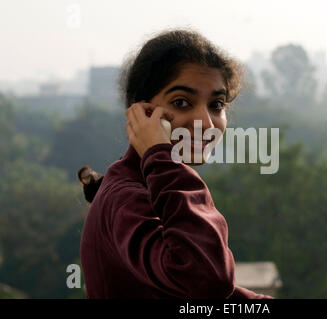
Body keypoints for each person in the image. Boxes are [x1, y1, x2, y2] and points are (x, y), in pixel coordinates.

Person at [79, 28, 273, 299]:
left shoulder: (151, 185)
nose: (206, 122)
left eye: (216, 105)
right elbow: (208, 281)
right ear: (142, 111)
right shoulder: (126, 196)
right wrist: (161, 156)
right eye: (182, 102)